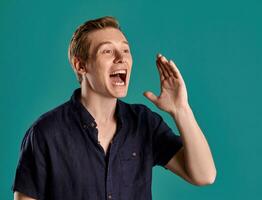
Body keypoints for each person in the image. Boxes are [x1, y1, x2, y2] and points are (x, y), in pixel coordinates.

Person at [12, 16, 216, 200]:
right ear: (80, 66)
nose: (121, 58)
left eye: (125, 50)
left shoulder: (144, 122)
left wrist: (181, 109)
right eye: (107, 51)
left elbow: (204, 175)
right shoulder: (46, 133)